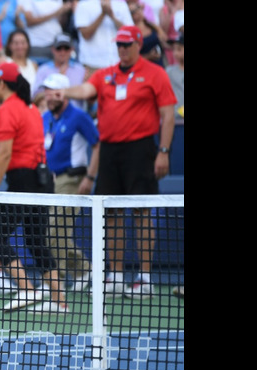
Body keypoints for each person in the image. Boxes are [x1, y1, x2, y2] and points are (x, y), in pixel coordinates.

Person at [51, 26, 176, 297]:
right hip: (109, 151)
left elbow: (167, 115)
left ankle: (144, 278)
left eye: (127, 44)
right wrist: (65, 92)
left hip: (141, 150)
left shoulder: (155, 73)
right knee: (112, 213)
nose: (122, 49)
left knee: (142, 213)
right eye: (119, 44)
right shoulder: (105, 75)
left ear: (138, 44)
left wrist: (163, 151)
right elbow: (86, 89)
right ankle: (116, 275)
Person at [0, 62, 68, 314]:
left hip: (22, 180)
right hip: (42, 181)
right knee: (35, 240)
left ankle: (28, 290)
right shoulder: (32, 108)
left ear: (2, 84)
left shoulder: (8, 109)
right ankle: (59, 301)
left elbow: (5, 154)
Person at [39, 73, 97, 290]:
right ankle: (84, 270)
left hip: (72, 178)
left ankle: (57, 279)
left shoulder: (79, 116)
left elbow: (97, 144)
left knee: (54, 230)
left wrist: (90, 177)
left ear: (63, 94)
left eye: (53, 92)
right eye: (46, 92)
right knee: (53, 232)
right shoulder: (46, 118)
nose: (49, 96)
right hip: (50, 181)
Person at [74, 0, 133, 70]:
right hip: (92, 64)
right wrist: (102, 15)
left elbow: (130, 33)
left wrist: (112, 16)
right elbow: (85, 34)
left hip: (117, 63)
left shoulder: (121, 5)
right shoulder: (83, 5)